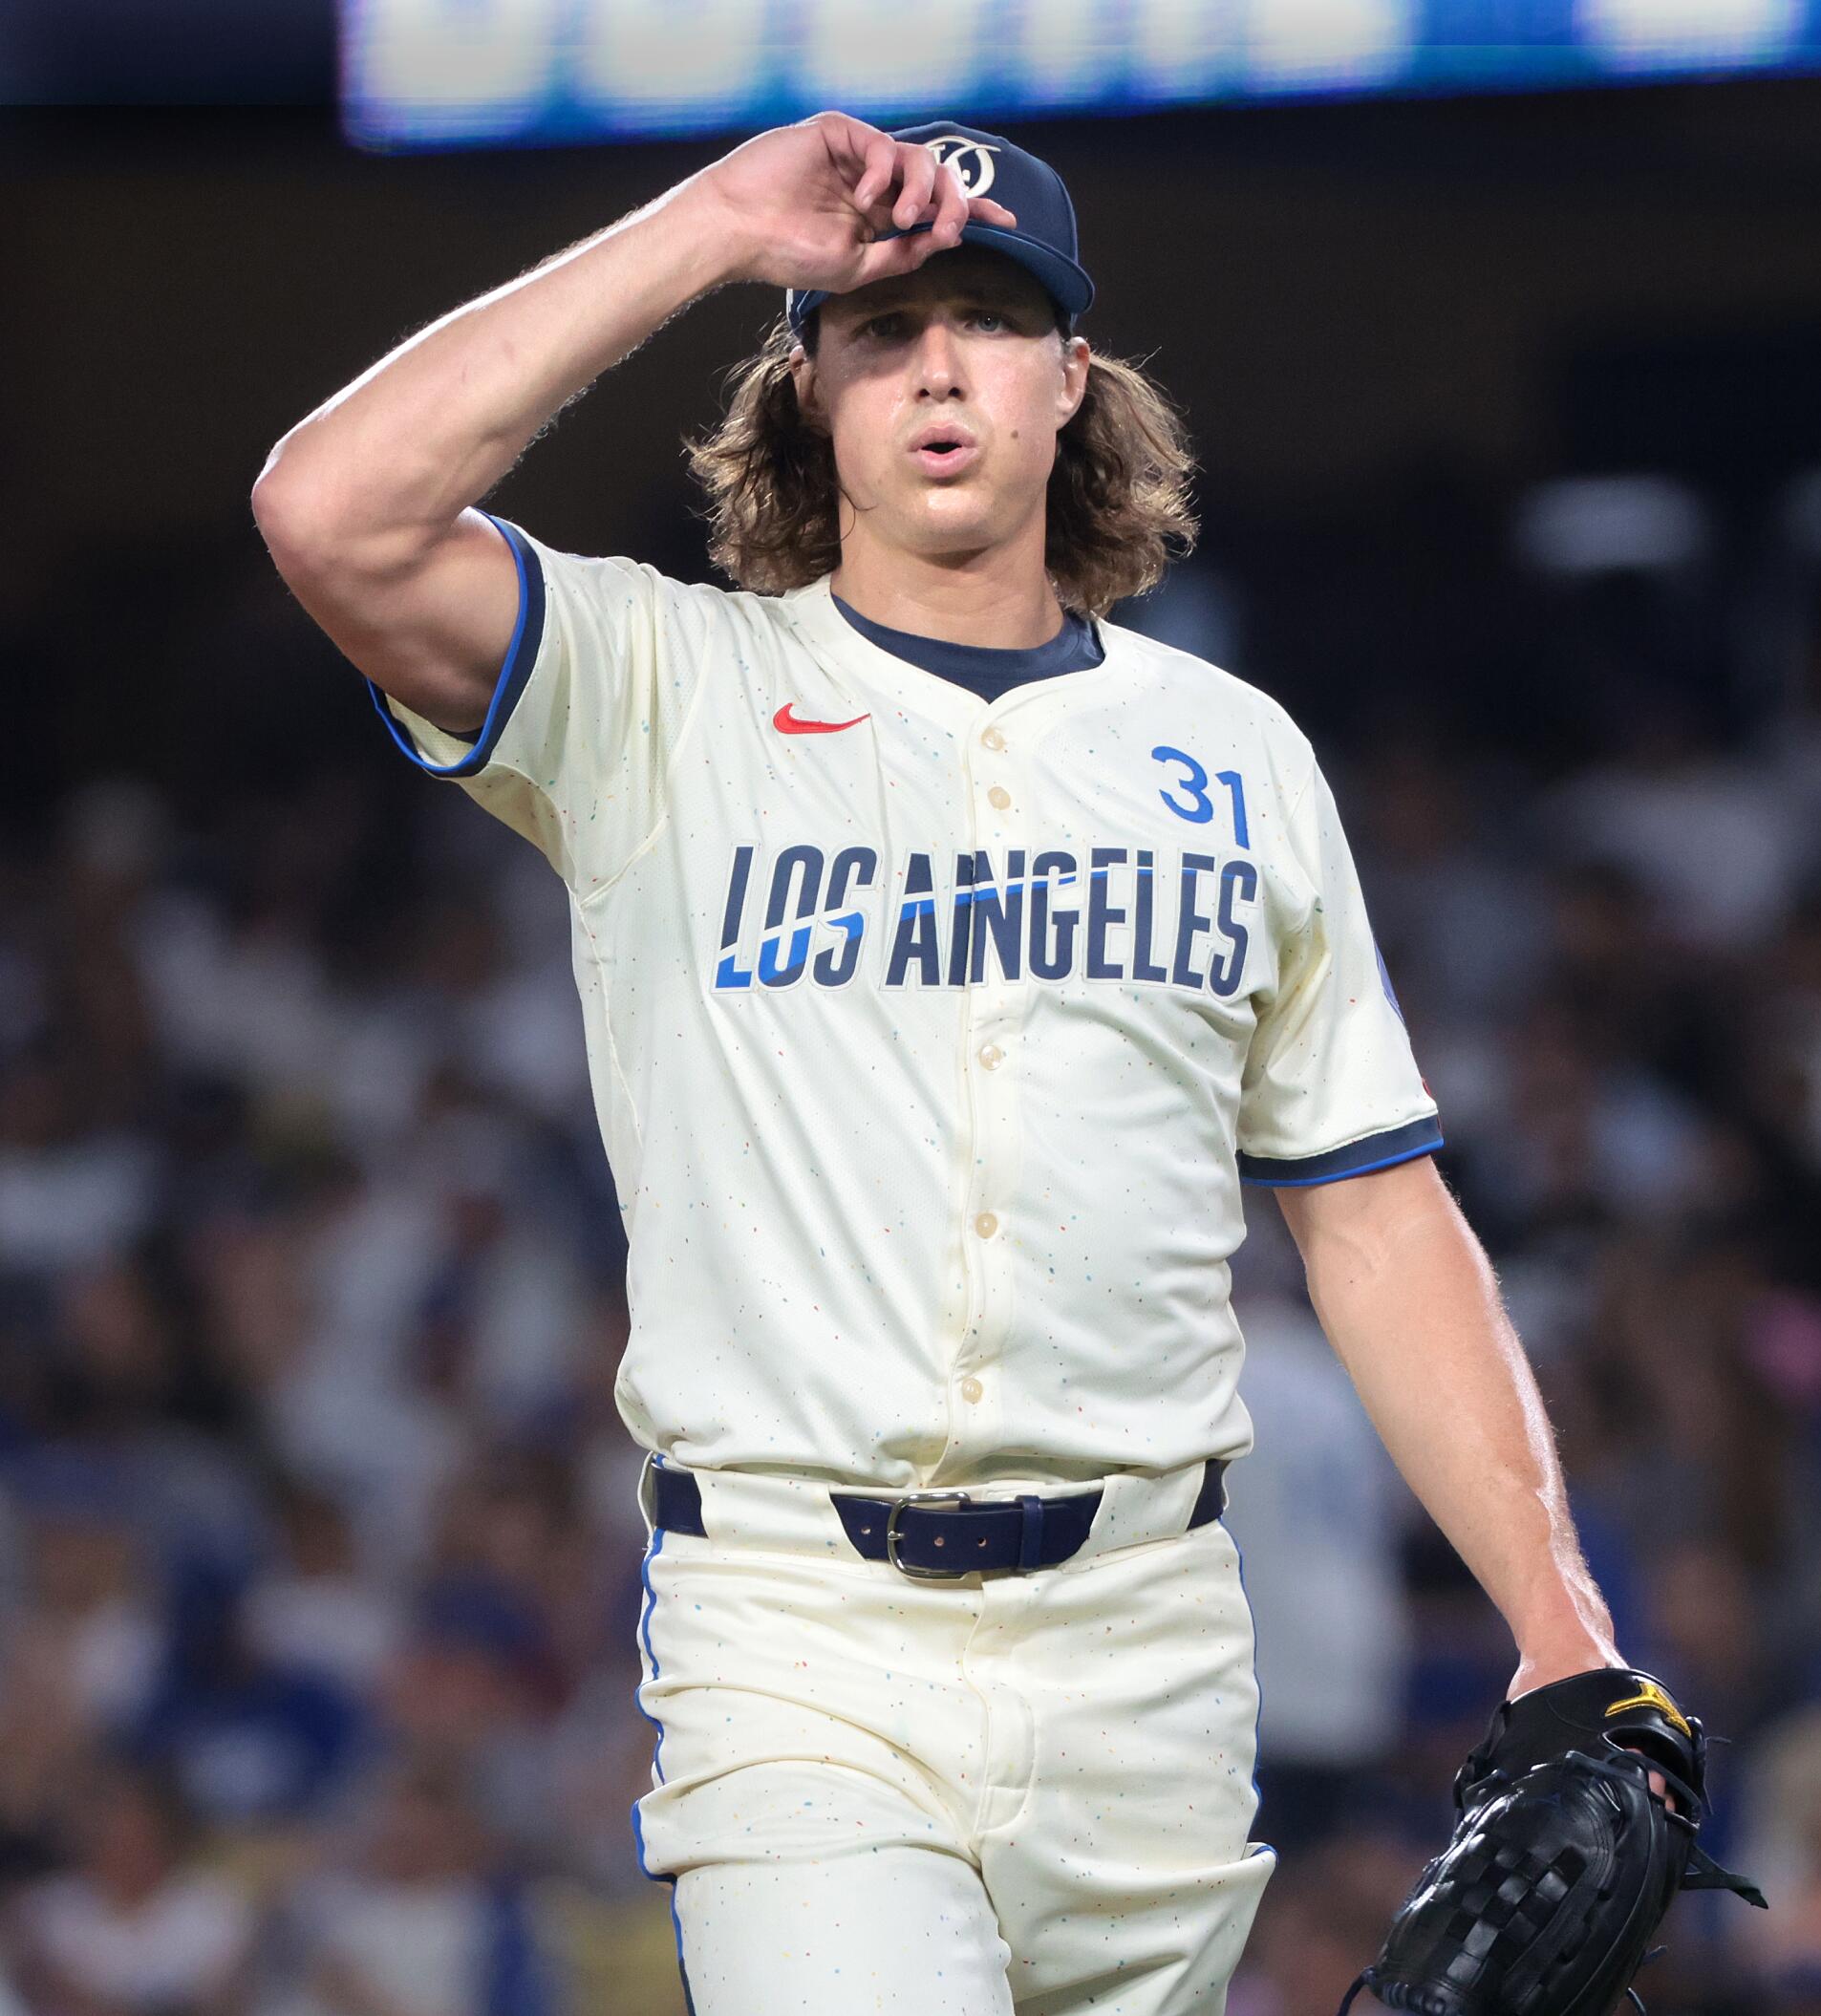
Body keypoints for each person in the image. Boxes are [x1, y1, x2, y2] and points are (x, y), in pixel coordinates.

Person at [252, 111, 1650, 2016]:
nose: (937, 365)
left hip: (1155, 1647)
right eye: (882, 323)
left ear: (1071, 378)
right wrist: (719, 222)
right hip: (802, 1636)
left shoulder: (1233, 756)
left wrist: (1558, 1620)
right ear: (806, 380)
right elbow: (334, 514)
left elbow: (1372, 1210)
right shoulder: (658, 690)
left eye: (990, 321)